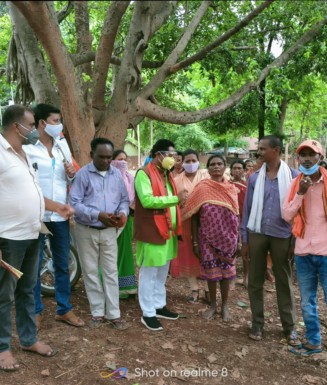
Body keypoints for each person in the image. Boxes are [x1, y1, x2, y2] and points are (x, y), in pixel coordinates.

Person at [0, 105, 74, 371]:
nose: (33, 131)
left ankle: (28, 339)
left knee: (27, 291)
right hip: (8, 237)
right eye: (30, 126)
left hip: (33, 232)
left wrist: (56, 207)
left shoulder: (22, 154)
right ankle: (2, 348)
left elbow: (31, 194)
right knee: (4, 294)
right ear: (15, 126)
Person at [23, 103, 84, 331]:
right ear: (41, 123)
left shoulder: (62, 147)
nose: (59, 126)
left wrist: (71, 175)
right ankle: (36, 311)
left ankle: (64, 309)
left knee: (61, 263)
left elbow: (69, 180)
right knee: (35, 265)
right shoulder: (28, 148)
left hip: (60, 216)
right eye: (55, 121)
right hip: (36, 215)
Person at [241, 135, 300, 344]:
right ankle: (257, 323)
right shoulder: (255, 177)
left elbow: (298, 211)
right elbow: (246, 210)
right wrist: (245, 240)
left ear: (275, 150)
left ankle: (289, 327)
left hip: (283, 234)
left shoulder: (293, 176)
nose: (259, 152)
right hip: (257, 233)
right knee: (255, 280)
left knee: (284, 280)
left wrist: (294, 241)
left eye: (263, 149)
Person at [69, 138, 130, 330]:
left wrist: (122, 213)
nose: (105, 161)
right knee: (90, 271)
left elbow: (124, 200)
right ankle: (97, 312)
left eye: (109, 157)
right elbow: (75, 204)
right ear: (91, 154)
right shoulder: (82, 175)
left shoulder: (117, 175)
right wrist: (98, 215)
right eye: (101, 157)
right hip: (86, 230)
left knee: (111, 271)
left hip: (109, 230)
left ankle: (114, 314)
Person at [134, 139, 184, 331]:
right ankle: (148, 313)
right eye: (170, 155)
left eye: (174, 156)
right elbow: (147, 201)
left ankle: (158, 306)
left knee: (162, 271)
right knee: (149, 272)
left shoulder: (165, 174)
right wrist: (176, 199)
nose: (173, 159)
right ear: (158, 155)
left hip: (168, 230)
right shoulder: (143, 173)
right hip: (153, 229)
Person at [283, 139, 327, 356]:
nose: (307, 158)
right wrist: (300, 192)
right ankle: (313, 342)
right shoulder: (295, 184)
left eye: (312, 154)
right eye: (303, 155)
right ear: (298, 159)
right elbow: (286, 215)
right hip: (303, 252)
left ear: (320, 158)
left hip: (326, 252)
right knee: (307, 302)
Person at [183, 155, 239, 321]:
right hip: (206, 238)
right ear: (208, 168)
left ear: (224, 166)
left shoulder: (231, 188)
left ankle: (225, 306)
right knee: (211, 273)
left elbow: (237, 214)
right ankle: (213, 305)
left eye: (219, 164)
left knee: (226, 273)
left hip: (228, 238)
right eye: (212, 164)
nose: (216, 167)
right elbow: (193, 214)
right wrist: (194, 241)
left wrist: (240, 241)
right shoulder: (202, 187)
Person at [170, 149, 209, 303]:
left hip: (205, 222)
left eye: (193, 161)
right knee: (187, 253)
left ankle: (207, 288)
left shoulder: (206, 177)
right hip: (184, 222)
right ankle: (194, 289)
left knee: (205, 253)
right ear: (182, 162)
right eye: (187, 161)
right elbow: (172, 201)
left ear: (199, 161)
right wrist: (180, 200)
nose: (191, 164)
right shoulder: (176, 180)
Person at [111, 150, 137, 299]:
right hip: (112, 221)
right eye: (119, 159)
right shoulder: (109, 178)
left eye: (125, 159)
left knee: (125, 254)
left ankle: (127, 287)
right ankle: (112, 287)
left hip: (128, 221)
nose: (123, 162)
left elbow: (133, 199)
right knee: (112, 254)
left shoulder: (130, 178)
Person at [229, 160, 248, 288]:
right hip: (230, 222)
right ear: (230, 171)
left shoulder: (248, 186)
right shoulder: (226, 185)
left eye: (239, 168)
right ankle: (232, 277)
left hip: (245, 221)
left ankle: (246, 277)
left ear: (244, 170)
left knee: (246, 250)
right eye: (234, 168)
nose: (237, 170)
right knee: (232, 250)